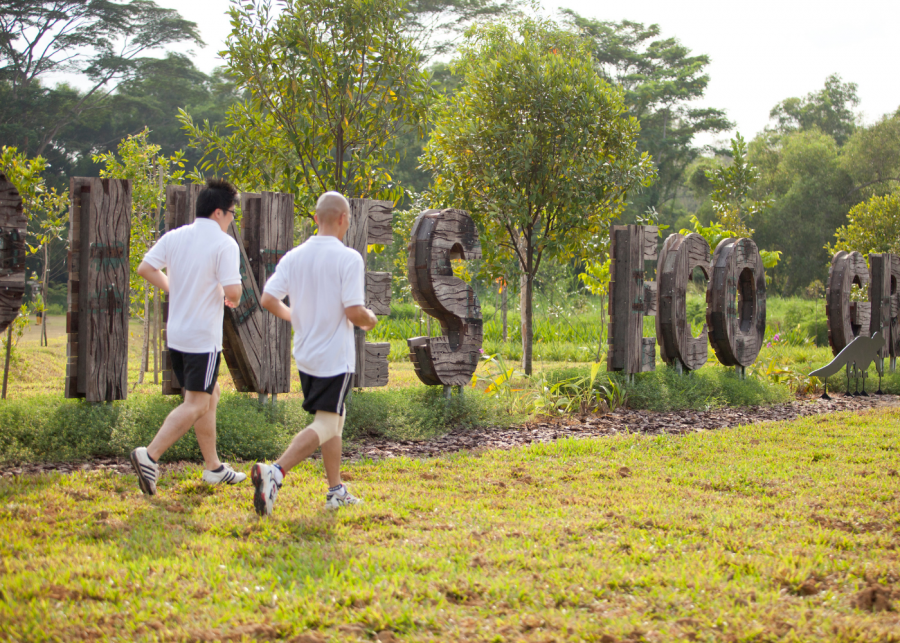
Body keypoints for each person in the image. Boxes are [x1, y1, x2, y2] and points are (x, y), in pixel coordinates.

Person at [252, 191, 377, 516]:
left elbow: (268, 298)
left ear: (316, 219)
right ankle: (275, 472)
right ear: (343, 219)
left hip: (306, 354)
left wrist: (297, 317)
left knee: (334, 421)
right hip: (335, 357)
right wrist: (370, 319)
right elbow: (353, 311)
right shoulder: (349, 258)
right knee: (326, 423)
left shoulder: (294, 256)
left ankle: (335, 490)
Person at [129, 178, 247, 495]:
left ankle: (213, 467)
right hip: (202, 338)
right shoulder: (224, 244)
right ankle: (149, 456)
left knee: (211, 395)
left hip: (178, 335)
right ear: (220, 212)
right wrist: (232, 297)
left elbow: (146, 268)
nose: (233, 218)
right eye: (233, 212)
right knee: (196, 403)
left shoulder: (176, 236)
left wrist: (174, 287)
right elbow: (234, 291)